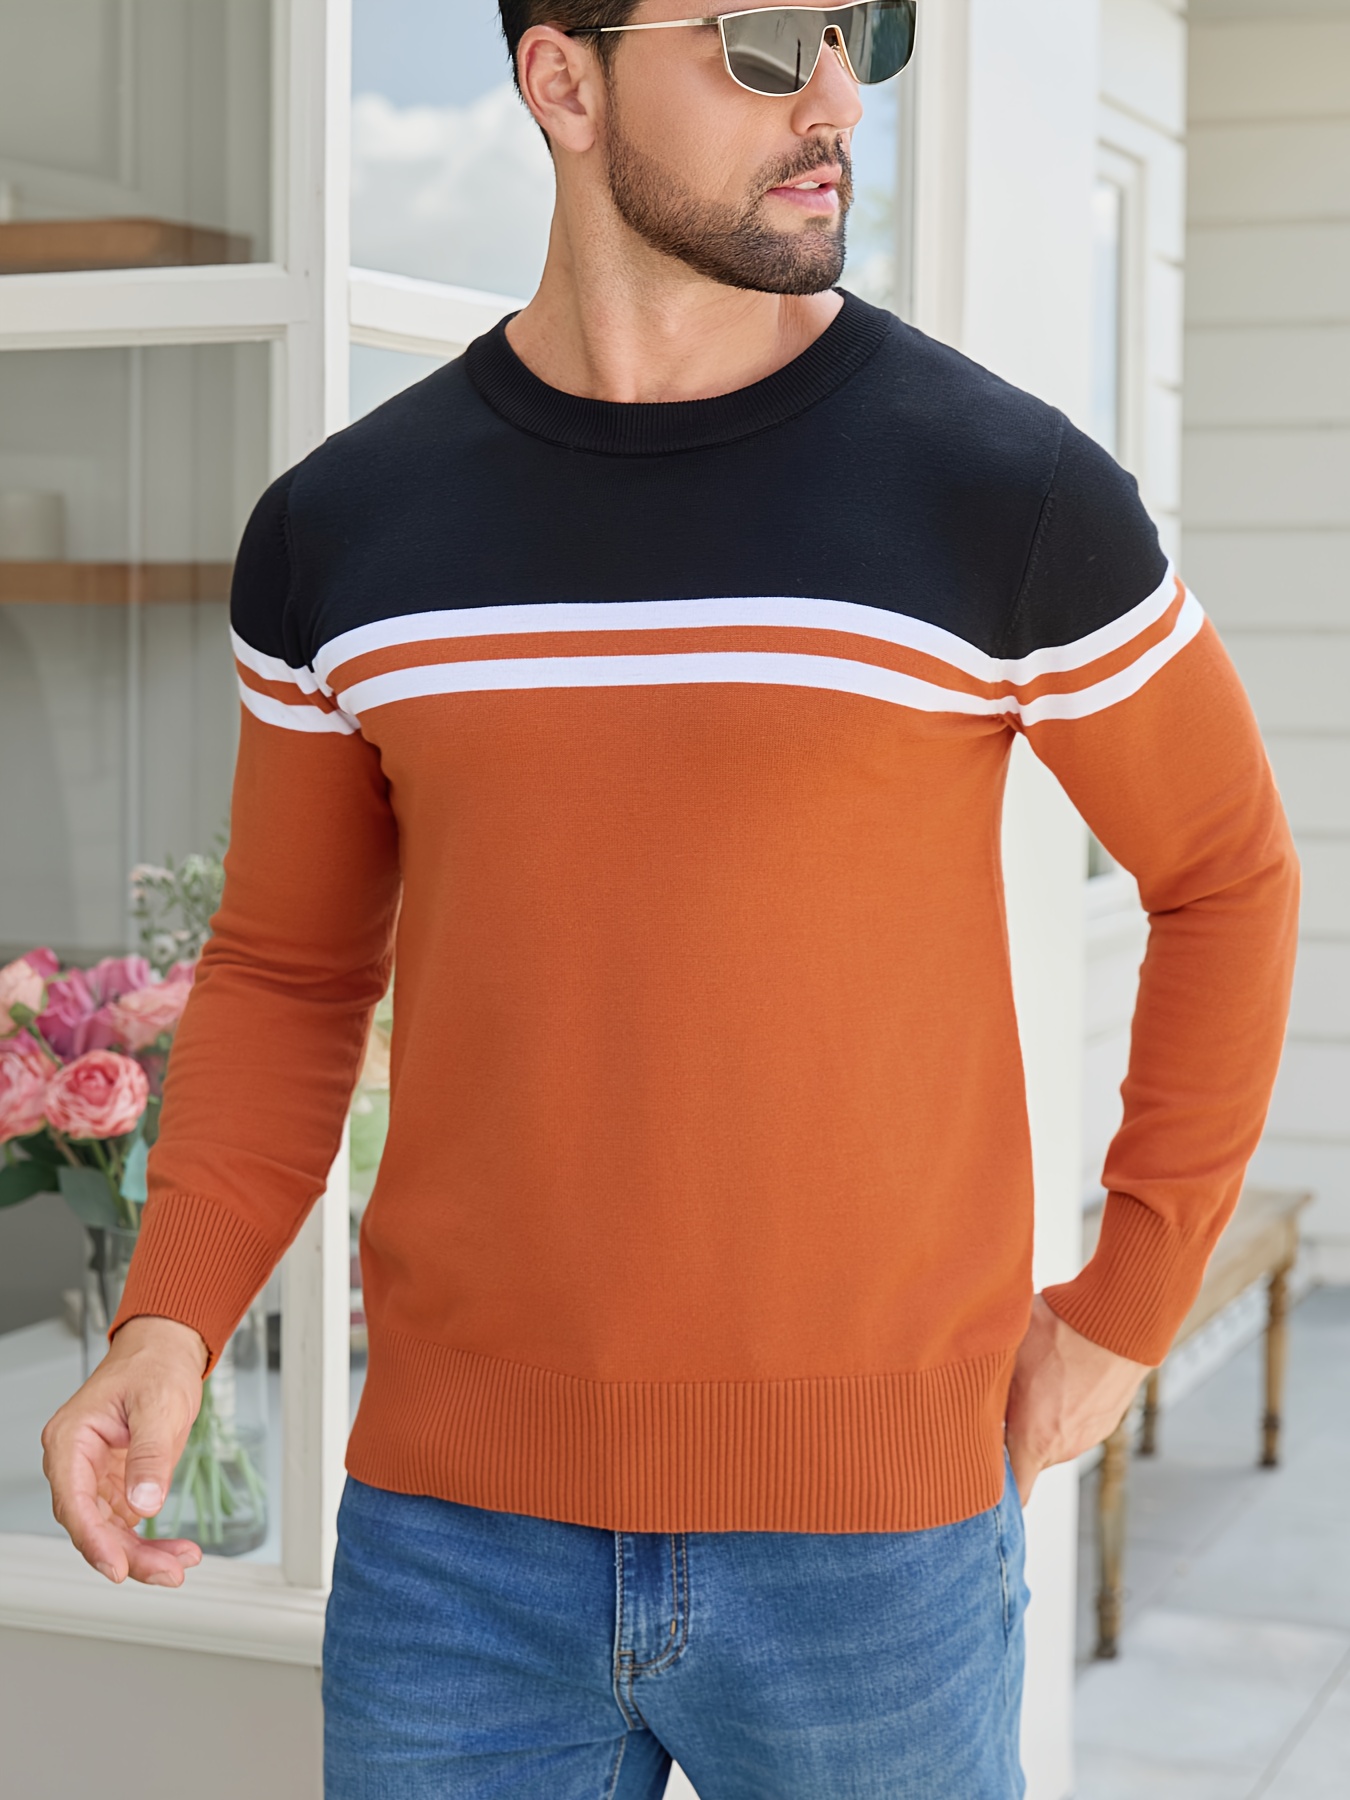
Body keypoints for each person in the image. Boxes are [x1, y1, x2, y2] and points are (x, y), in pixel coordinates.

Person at [41, 1, 1298, 1794]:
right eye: (764, 41)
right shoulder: (343, 530)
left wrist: (1128, 1303)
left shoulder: (1002, 492)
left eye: (856, 32)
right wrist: (171, 1318)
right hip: (452, 1553)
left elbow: (1225, 874)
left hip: (876, 1551)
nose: (836, 94)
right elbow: (288, 971)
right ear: (563, 80)